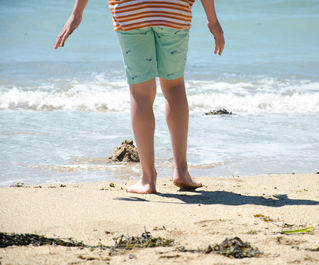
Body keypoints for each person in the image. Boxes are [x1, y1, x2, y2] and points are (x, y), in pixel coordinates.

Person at [54, 0, 225, 194]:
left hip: (130, 10)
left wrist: (77, 13)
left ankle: (147, 179)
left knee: (140, 93)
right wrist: (213, 20)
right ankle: (181, 170)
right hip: (173, 9)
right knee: (174, 86)